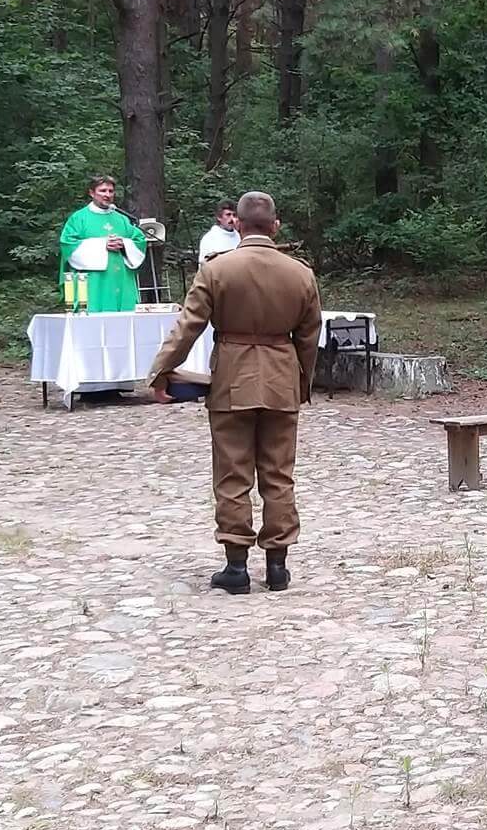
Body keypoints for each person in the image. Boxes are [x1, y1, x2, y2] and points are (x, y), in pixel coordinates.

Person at [148, 191, 322, 593]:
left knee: (232, 474)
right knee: (279, 475)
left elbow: (188, 327)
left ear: (238, 225)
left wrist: (161, 371)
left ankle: (237, 567)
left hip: (232, 380)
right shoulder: (300, 274)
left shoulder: (216, 269)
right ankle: (277, 566)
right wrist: (301, 382)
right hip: (281, 380)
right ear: (275, 226)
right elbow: (309, 337)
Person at [58, 175, 148, 313]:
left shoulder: (122, 219)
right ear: (92, 193)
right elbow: (68, 244)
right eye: (103, 191)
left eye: (111, 191)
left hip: (122, 279)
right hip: (94, 282)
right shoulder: (79, 218)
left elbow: (139, 240)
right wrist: (102, 245)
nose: (107, 195)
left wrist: (124, 244)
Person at [198, 200, 241, 265]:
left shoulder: (239, 236)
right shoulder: (209, 239)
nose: (232, 218)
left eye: (234, 215)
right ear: (219, 217)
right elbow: (203, 265)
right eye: (228, 215)